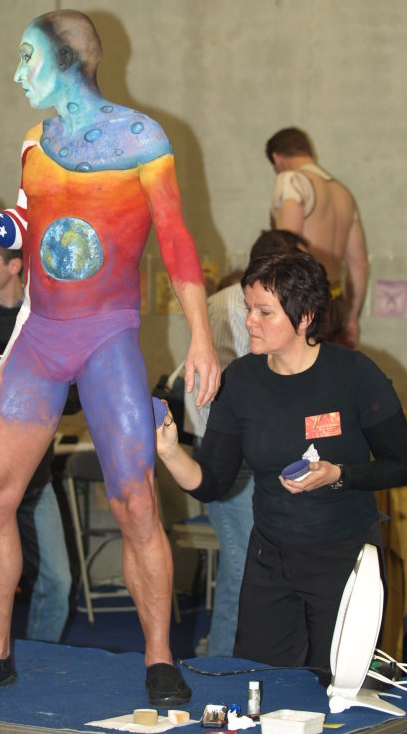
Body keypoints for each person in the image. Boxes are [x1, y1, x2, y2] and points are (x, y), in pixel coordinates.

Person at [0, 9, 220, 703]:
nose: (17, 73)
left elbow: (175, 238)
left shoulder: (141, 138)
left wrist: (201, 337)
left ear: (66, 59)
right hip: (41, 335)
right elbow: (28, 222)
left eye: (26, 57)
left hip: (106, 337)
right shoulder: (35, 140)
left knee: (135, 502)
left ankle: (159, 659)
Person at [157, 251, 407, 671]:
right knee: (263, 683)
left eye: (264, 312)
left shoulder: (354, 374)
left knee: (339, 686)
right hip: (269, 561)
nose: (249, 321)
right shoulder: (240, 382)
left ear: (305, 316)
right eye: (248, 308)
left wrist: (339, 475)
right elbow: (212, 482)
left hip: (343, 558)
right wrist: (169, 451)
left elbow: (400, 463)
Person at [184, 229, 308, 658]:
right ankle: (221, 668)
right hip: (228, 455)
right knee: (241, 572)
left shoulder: (249, 308)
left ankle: (235, 661)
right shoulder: (230, 310)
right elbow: (223, 393)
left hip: (252, 452)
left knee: (252, 571)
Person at [0, 231, 71, 642]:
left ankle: (42, 661)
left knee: (58, 583)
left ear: (15, 266)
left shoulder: (44, 318)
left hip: (36, 477)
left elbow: (71, 396)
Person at [265, 127, 369, 349]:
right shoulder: (343, 193)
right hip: (336, 306)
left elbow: (287, 248)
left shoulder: (291, 180)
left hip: (304, 306)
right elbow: (359, 264)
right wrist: (351, 318)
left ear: (277, 158)